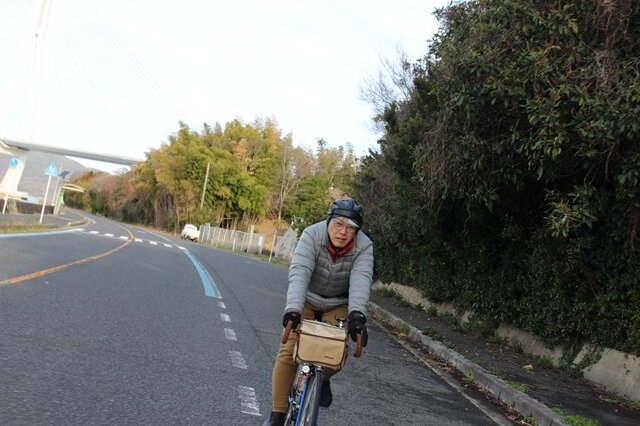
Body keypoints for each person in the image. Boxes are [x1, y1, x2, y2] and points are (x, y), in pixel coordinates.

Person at [263, 198, 374, 426]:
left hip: (338, 303)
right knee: (288, 352)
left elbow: (361, 280)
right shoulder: (312, 235)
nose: (343, 232)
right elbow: (300, 272)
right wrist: (293, 309)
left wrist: (357, 316)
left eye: (350, 228)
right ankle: (277, 414)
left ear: (357, 231)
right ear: (328, 221)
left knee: (336, 351)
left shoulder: (364, 246)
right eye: (338, 224)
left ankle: (322, 379)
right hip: (307, 298)